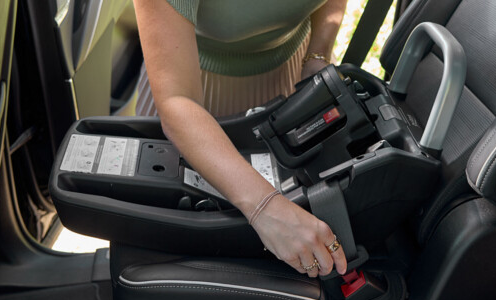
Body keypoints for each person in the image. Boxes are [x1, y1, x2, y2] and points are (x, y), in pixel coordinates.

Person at [133, 0, 349, 278]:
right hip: (194, 112)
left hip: (288, 85)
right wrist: (266, 207)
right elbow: (177, 101)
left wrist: (317, 55)